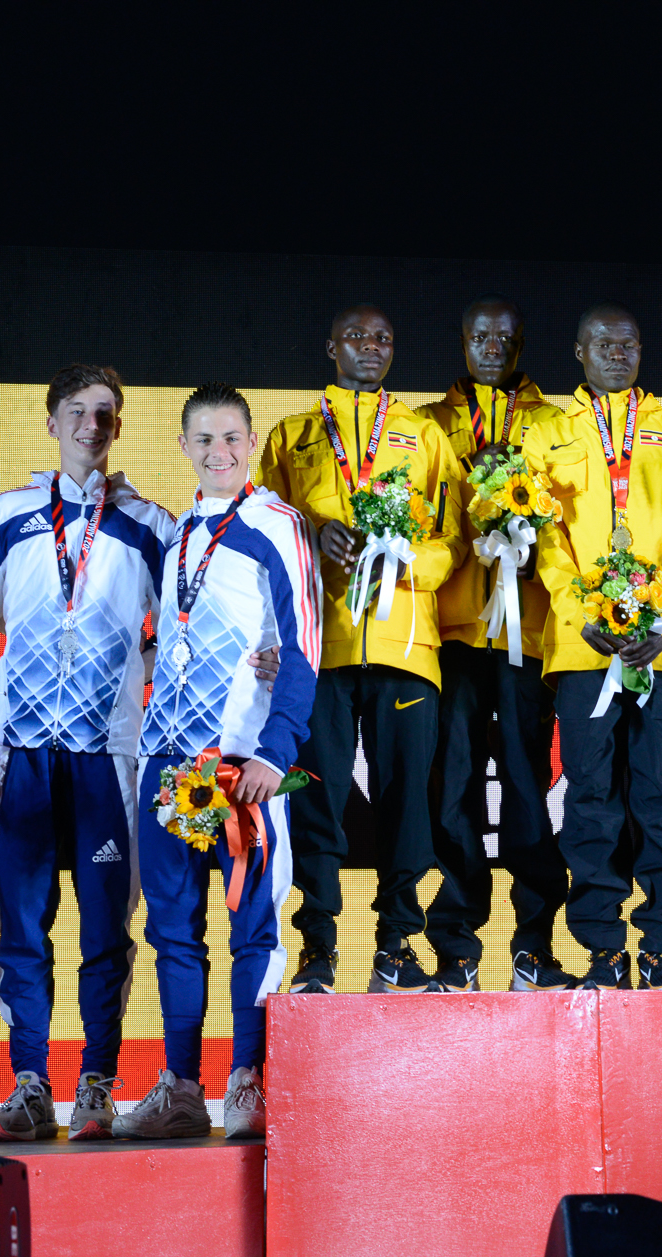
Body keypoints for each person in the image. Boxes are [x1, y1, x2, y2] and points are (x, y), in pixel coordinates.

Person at [0, 363, 177, 1140]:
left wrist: (138, 672)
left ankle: (96, 1082)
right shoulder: (7, 516)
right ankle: (29, 1083)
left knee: (106, 928)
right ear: (52, 422)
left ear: (118, 427)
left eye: (105, 414)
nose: (92, 425)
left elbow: (182, 632)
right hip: (21, 750)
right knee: (22, 924)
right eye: (78, 412)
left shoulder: (149, 524)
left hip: (109, 753)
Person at [115, 382, 318, 1141]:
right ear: (183, 446)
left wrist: (273, 751)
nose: (218, 452)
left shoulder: (276, 525)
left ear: (251, 442)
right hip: (168, 762)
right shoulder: (179, 535)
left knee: (252, 926)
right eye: (203, 439)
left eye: (231, 437)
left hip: (241, 764)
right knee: (172, 931)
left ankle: (248, 1082)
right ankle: (181, 1086)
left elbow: (302, 646)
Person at [258, 305, 466, 994]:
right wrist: (313, 533)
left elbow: (455, 540)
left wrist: (410, 562)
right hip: (320, 650)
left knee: (408, 803)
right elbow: (266, 539)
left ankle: (396, 944)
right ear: (330, 347)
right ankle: (317, 946)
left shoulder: (423, 434)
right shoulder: (292, 436)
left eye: (383, 337)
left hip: (407, 646)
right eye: (356, 336)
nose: (371, 347)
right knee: (315, 800)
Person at [523, 303, 662, 989]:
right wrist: (583, 614)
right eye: (603, 344)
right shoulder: (547, 431)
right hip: (584, 647)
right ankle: (602, 948)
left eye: (628, 343)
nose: (617, 354)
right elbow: (546, 539)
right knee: (591, 799)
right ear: (579, 351)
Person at [419, 297, 575, 992]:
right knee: (452, 786)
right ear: (462, 340)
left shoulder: (556, 424)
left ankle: (534, 944)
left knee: (525, 787)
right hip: (453, 633)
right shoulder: (427, 424)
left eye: (504, 337)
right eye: (480, 335)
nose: (492, 346)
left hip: (526, 635)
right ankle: (455, 947)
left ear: (520, 343)